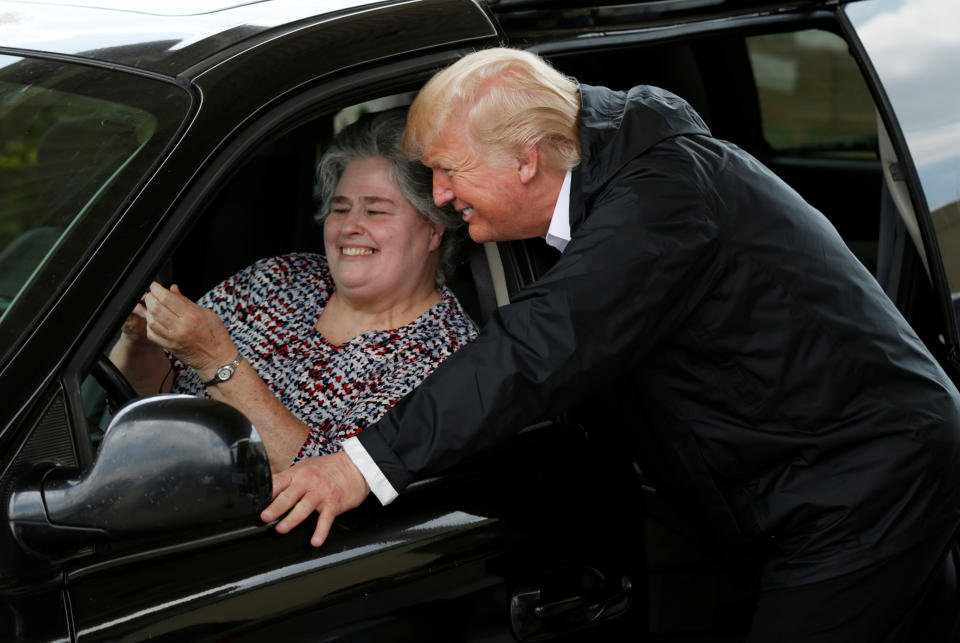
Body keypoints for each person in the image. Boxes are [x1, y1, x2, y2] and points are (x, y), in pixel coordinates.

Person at [260, 49, 960, 641]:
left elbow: (540, 345)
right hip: (801, 483)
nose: (439, 197)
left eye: (449, 170)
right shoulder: (605, 174)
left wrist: (363, 465)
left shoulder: (663, 200)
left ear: (527, 160)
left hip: (867, 487)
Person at [109, 108, 478, 473]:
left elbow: (332, 481)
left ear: (433, 228)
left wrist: (219, 362)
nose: (349, 226)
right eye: (340, 208)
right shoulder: (279, 277)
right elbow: (153, 404)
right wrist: (141, 343)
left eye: (375, 211)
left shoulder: (449, 357)